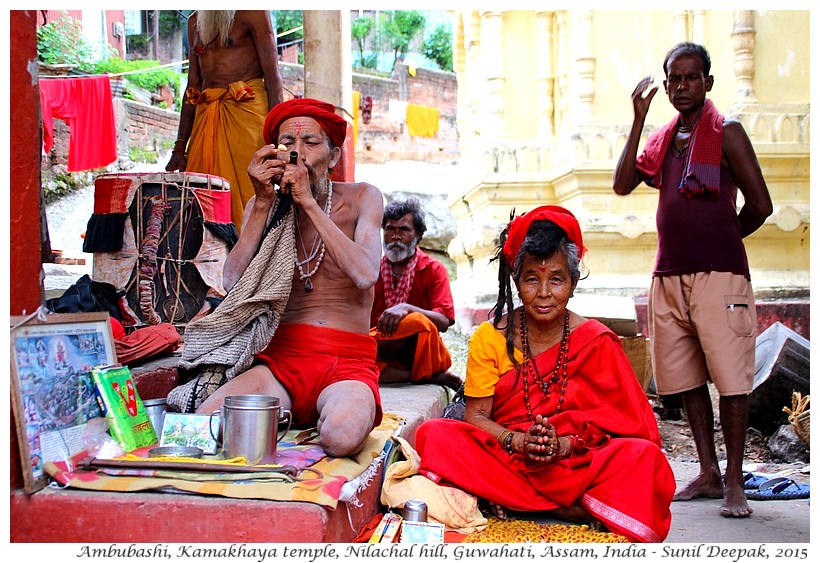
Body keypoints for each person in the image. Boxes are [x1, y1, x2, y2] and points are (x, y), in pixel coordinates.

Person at [415, 206, 675, 543]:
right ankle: (573, 508)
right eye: (532, 279)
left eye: (556, 279)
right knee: (434, 435)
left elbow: (633, 431)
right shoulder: (490, 337)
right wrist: (518, 440)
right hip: (510, 458)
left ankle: (520, 501)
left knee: (646, 460)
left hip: (577, 461)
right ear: (516, 281)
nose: (544, 293)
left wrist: (563, 446)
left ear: (573, 282)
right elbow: (477, 417)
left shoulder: (596, 340)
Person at [612, 42, 773, 518]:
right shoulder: (662, 141)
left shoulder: (728, 133)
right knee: (685, 379)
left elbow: (761, 205)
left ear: (708, 82)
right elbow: (622, 184)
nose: (682, 86)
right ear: (665, 87)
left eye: (691, 77)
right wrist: (638, 119)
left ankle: (735, 482)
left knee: (731, 380)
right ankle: (707, 472)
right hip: (669, 277)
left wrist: (723, 240)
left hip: (720, 276)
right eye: (673, 80)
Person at [194, 98, 385, 458]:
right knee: (210, 422)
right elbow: (233, 282)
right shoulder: (263, 205)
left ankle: (323, 415)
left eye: (311, 143)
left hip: (347, 361)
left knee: (341, 438)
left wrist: (309, 204)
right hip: (282, 359)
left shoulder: (363, 197)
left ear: (332, 156)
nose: (297, 153)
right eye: (287, 144)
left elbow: (365, 274)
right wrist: (264, 203)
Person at [166, 10, 285, 230]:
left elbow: (273, 76)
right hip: (206, 115)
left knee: (252, 193)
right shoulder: (194, 21)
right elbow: (193, 85)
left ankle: (254, 257)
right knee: (199, 196)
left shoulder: (254, 12)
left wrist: (280, 142)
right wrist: (179, 147)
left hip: (247, 112)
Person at [370, 198, 461, 390]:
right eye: (389, 229)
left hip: (417, 352)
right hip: (381, 350)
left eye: (404, 230)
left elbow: (444, 322)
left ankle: (418, 371)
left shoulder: (434, 269)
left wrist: (407, 309)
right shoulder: (371, 270)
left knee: (419, 323)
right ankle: (422, 376)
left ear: (418, 235)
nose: (395, 236)